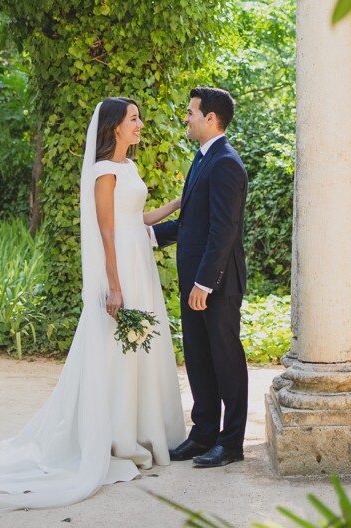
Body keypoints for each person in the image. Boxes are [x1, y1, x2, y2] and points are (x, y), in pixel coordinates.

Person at [0, 97, 185, 510]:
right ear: (114, 127)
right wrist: (115, 286)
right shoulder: (103, 172)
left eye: (139, 117)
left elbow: (135, 220)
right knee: (113, 350)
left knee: (139, 348)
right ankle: (115, 434)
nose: (140, 123)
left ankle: (140, 428)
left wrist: (176, 205)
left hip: (140, 262)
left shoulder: (130, 167)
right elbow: (107, 232)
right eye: (133, 118)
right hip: (119, 265)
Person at [152, 87, 249, 468]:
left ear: (211, 118)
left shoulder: (226, 162)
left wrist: (205, 283)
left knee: (225, 360)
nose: (187, 117)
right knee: (198, 357)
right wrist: (143, 236)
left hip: (216, 285)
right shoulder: (201, 159)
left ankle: (231, 442)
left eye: (192, 112)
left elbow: (223, 230)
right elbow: (193, 223)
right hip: (196, 281)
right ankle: (203, 433)